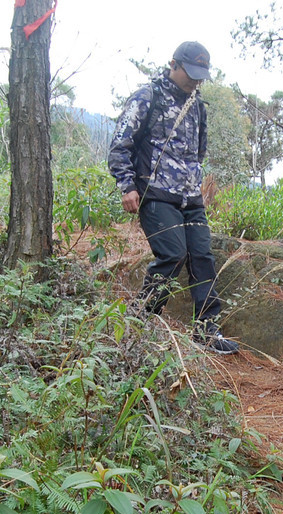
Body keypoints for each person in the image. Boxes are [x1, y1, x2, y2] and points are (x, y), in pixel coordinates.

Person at [108, 40, 239, 355]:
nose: (194, 80)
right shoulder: (147, 97)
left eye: (200, 75)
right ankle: (140, 322)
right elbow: (119, 145)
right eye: (190, 73)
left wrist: (192, 183)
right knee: (173, 254)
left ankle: (207, 332)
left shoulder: (197, 106)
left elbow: (198, 151)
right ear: (173, 65)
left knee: (203, 259)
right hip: (156, 196)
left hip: (190, 199)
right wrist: (127, 185)